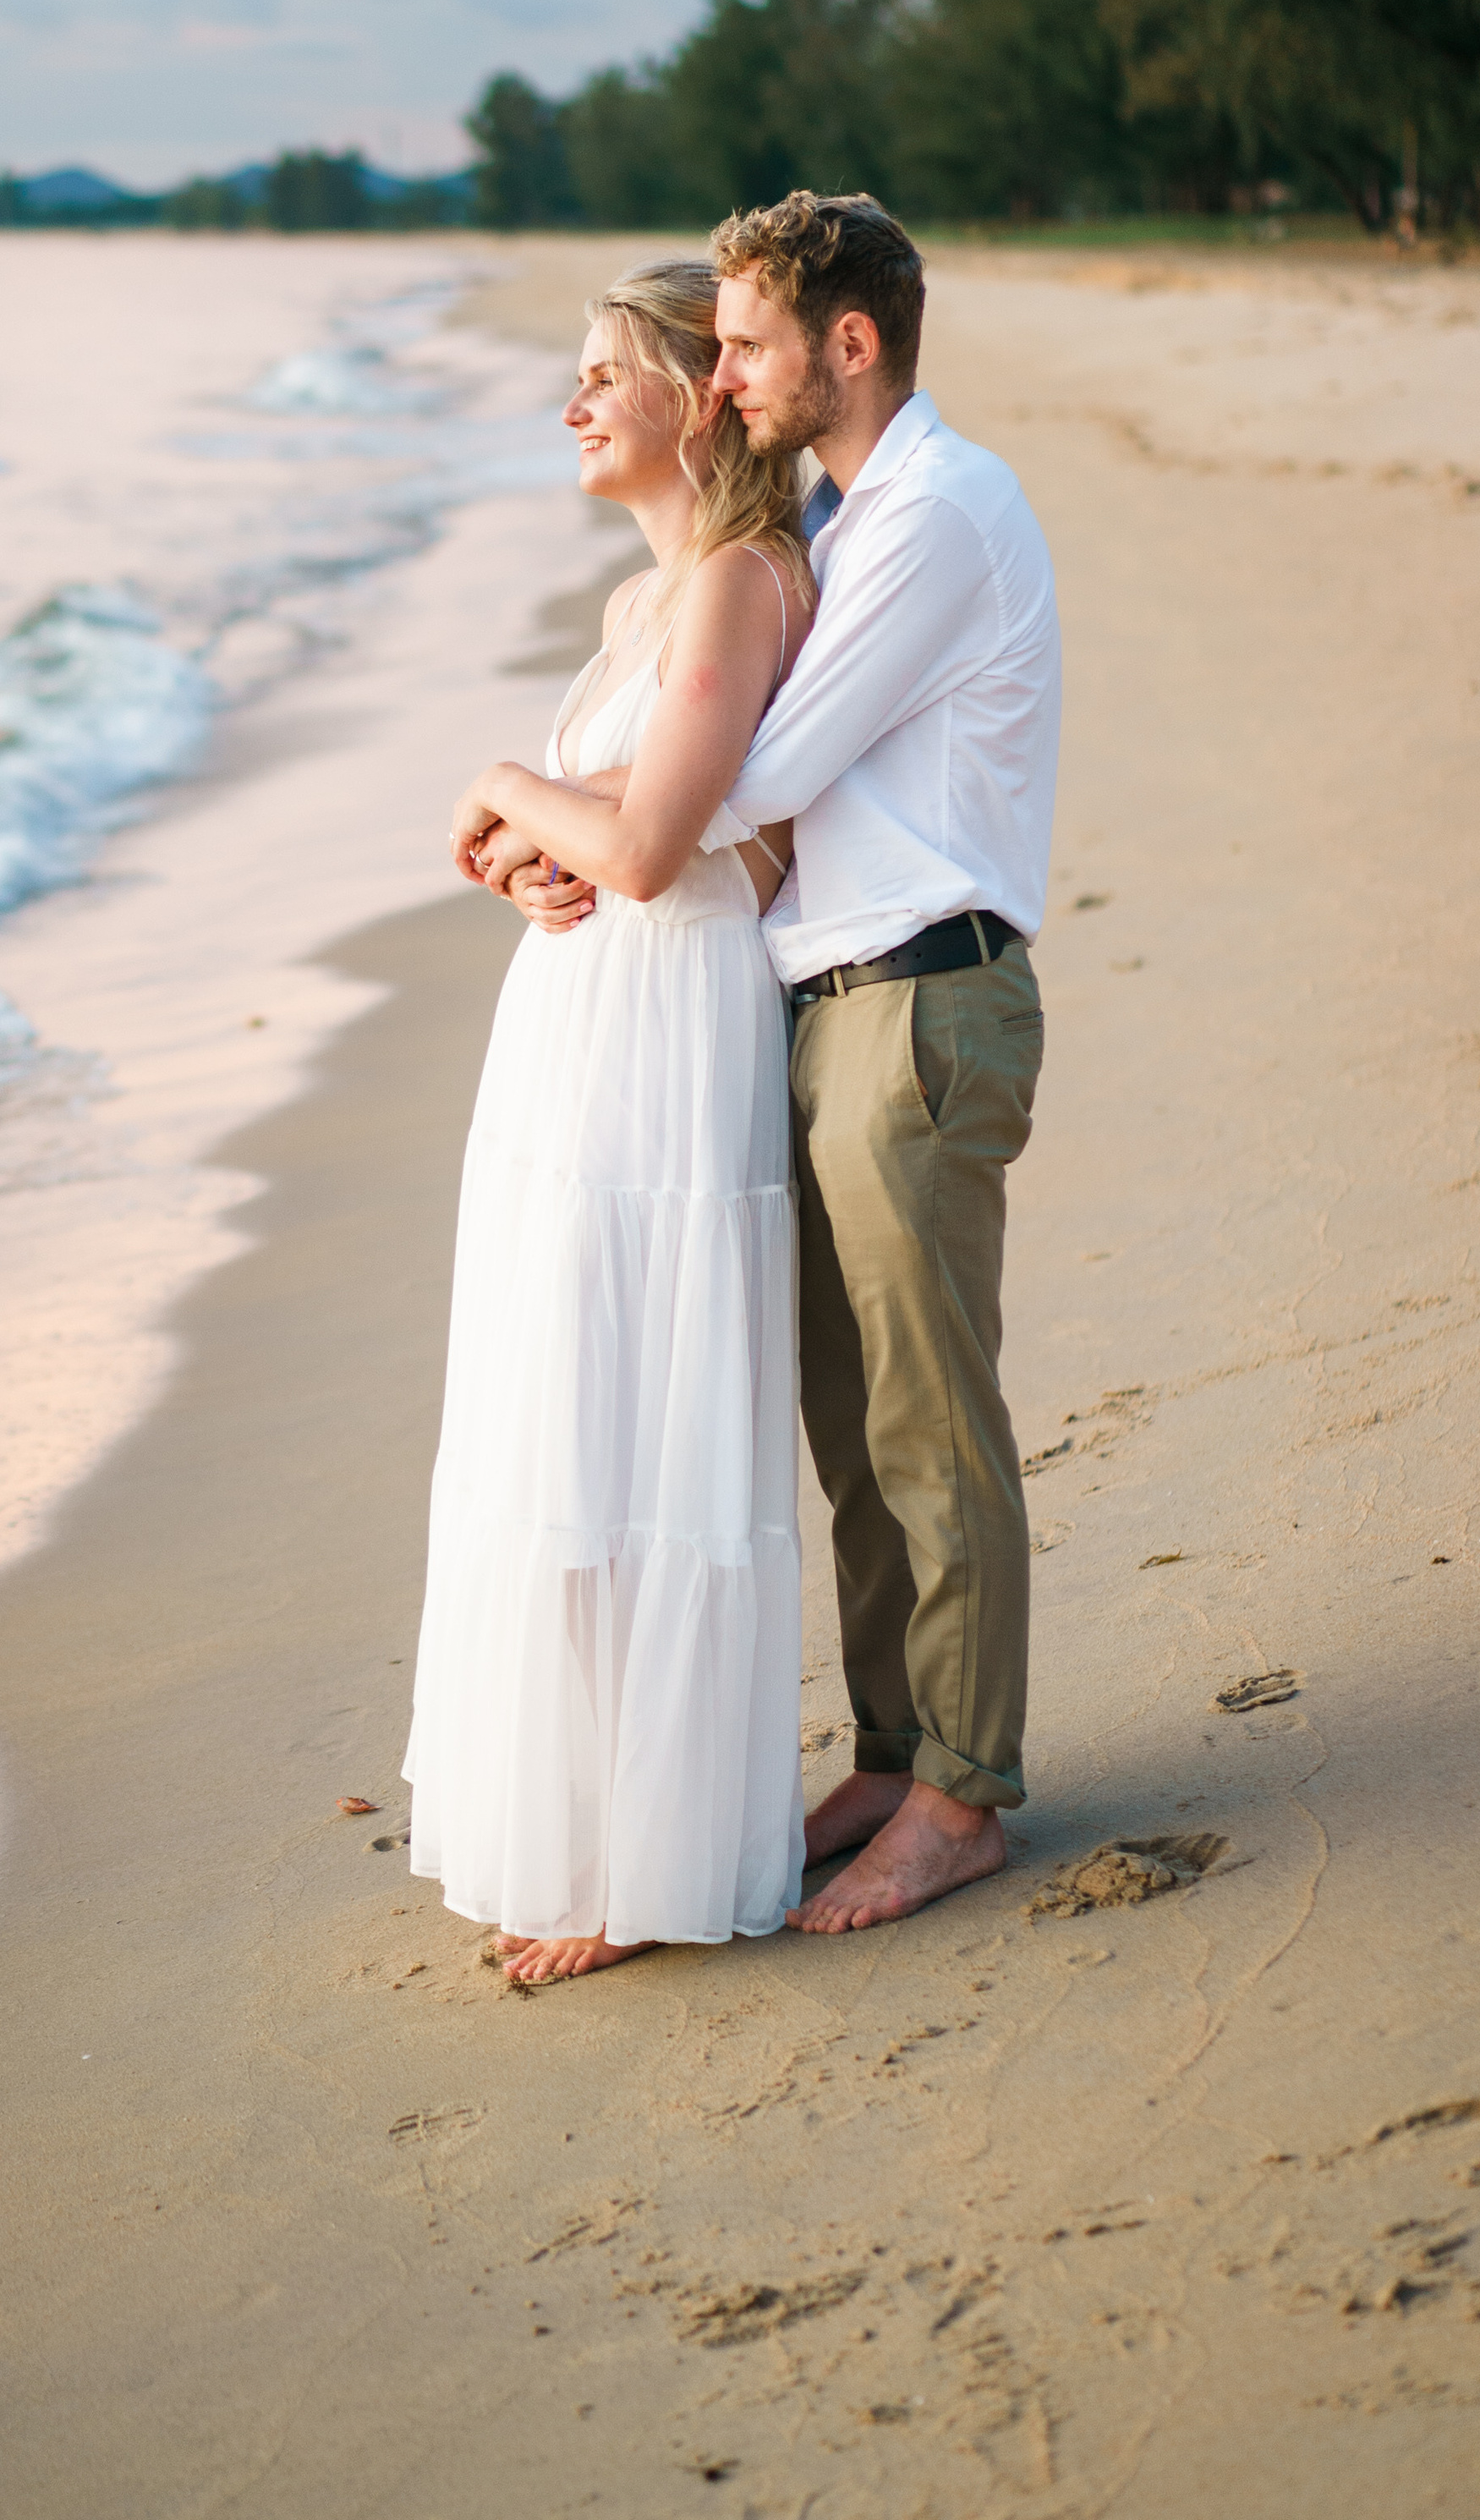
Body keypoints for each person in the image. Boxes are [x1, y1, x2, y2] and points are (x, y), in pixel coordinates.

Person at [507, 195, 1058, 1935]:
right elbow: (712, 810)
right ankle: (896, 1751)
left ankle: (963, 1793)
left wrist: (563, 823)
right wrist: (581, 843)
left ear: (850, 341)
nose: (727, 371)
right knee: (846, 1419)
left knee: (922, 1415)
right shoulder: (843, 511)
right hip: (819, 999)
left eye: (744, 343)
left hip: (918, 989)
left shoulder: (936, 515)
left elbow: (746, 785)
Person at [403, 262, 815, 1987]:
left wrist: (502, 789)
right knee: (555, 1406)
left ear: (691, 398)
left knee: (631, 1421)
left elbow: (656, 854)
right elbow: (606, 836)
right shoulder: (631, 613)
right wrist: (520, 851)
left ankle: (634, 1856)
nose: (569, 403)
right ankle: (572, 1823)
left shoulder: (736, 583)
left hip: (665, 1031)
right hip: (574, 1035)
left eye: (600, 374)